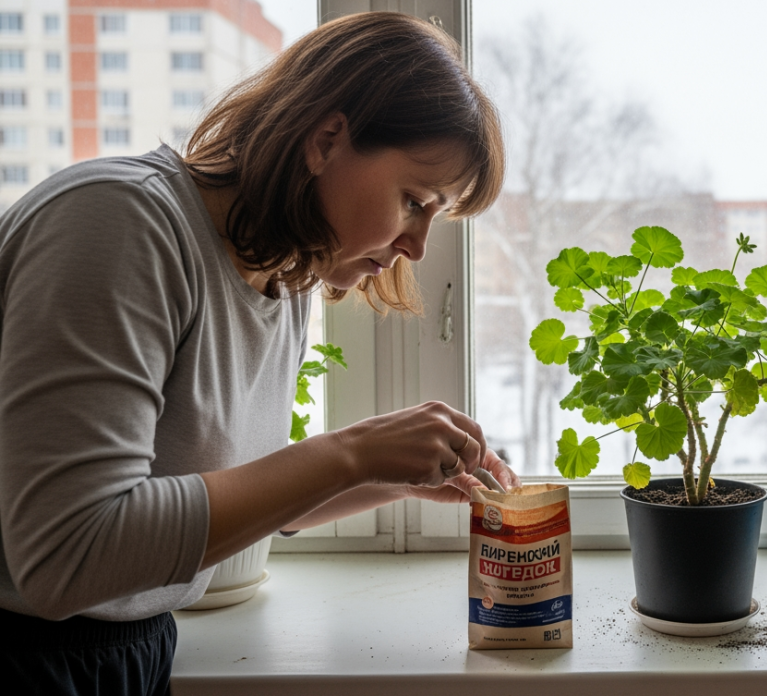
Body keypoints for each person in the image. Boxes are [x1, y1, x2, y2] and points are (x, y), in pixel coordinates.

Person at [0, 12, 516, 694]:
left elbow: (226, 490)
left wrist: (394, 475)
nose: (416, 247)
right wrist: (351, 452)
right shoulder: (118, 223)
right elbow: (70, 556)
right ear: (327, 139)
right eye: (414, 201)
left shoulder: (283, 278)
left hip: (129, 650)